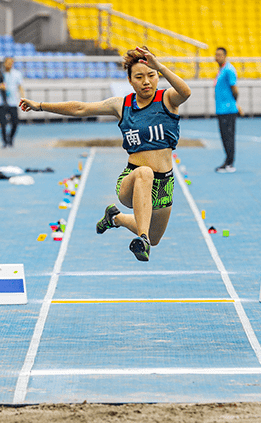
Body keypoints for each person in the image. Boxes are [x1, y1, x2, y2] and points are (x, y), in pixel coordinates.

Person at [19, 46, 191, 262]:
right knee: (145, 174)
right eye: (139, 77)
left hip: (164, 182)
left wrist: (161, 66)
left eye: (151, 75)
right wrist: (41, 106)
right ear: (130, 80)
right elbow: (80, 108)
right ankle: (142, 239)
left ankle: (115, 218)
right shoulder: (122, 105)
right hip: (133, 178)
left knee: (155, 238)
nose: (146, 81)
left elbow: (186, 92)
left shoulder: (167, 99)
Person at [214, 47, 239, 173]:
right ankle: (227, 161)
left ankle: (230, 163)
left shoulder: (229, 70)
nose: (217, 57)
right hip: (221, 109)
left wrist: (234, 103)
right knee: (224, 136)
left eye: (219, 55)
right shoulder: (221, 70)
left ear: (225, 56)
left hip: (228, 109)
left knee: (229, 136)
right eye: (216, 55)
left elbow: (234, 89)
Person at [0, 57, 25, 147]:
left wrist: (23, 98)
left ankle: (10, 138)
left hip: (13, 102)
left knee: (15, 123)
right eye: (8, 63)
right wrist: (0, 86)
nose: (9, 64)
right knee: (3, 124)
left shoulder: (17, 74)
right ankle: (5, 141)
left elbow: (20, 86)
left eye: (11, 63)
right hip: (1, 102)